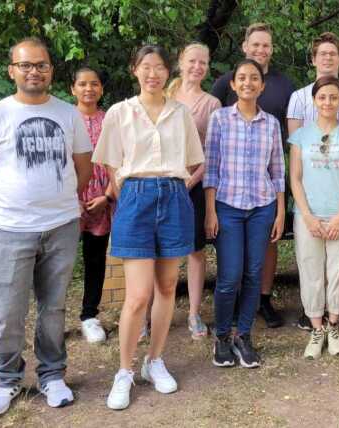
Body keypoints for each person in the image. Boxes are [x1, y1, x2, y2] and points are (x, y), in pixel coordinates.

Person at [0, 37, 92, 415]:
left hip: (61, 227)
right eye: (25, 65)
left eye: (40, 65)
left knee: (53, 309)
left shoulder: (68, 114)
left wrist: (61, 202)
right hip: (9, 230)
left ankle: (52, 376)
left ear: (51, 70)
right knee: (7, 311)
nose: (33, 71)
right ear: (12, 71)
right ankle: (7, 381)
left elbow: (83, 167)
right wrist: (5, 211)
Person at [93, 45, 204, 410]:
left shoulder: (181, 113)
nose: (153, 73)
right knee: (138, 295)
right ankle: (124, 370)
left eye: (159, 68)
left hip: (173, 195)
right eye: (146, 67)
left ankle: (154, 360)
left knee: (168, 286)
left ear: (167, 72)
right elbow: (111, 164)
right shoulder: (119, 112)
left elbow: (191, 162)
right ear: (134, 70)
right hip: (135, 198)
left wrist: (169, 190)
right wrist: (133, 194)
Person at [211, 23, 295, 328]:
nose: (261, 50)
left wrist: (281, 202)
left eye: (266, 45)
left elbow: (283, 148)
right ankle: (228, 317)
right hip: (229, 194)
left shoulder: (285, 87)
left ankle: (263, 299)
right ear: (245, 46)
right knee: (232, 266)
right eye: (256, 44)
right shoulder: (223, 86)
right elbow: (213, 149)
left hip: (263, 190)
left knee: (262, 254)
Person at [205, 59, 286, 369]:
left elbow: (277, 171)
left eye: (254, 78)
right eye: (242, 78)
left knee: (253, 274)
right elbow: (211, 168)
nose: (248, 82)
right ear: (233, 84)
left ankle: (244, 335)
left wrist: (279, 212)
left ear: (262, 86)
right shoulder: (220, 119)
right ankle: (223, 337)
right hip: (227, 207)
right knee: (229, 276)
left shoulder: (271, 124)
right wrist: (210, 210)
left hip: (262, 208)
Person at [287, 31, 339, 331]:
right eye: (322, 53)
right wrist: (306, 212)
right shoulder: (299, 101)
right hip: (310, 201)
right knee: (311, 265)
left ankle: (336, 315)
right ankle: (315, 317)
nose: (327, 102)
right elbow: (296, 170)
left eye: (333, 53)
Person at [165, 43, 222, 339]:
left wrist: (190, 181)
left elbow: (212, 154)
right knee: (161, 250)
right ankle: (153, 313)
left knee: (196, 251)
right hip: (162, 184)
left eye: (203, 62)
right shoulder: (164, 95)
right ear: (181, 61)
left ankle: (194, 314)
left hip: (194, 186)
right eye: (192, 61)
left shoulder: (211, 104)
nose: (197, 67)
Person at [72, 66, 114, 344]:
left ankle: (89, 316)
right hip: (66, 202)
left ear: (101, 88)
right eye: (83, 84)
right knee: (56, 263)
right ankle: (50, 318)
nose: (89, 89)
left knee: (95, 260)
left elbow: (119, 162)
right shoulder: (64, 117)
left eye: (94, 84)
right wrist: (70, 199)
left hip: (101, 201)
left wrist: (107, 196)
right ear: (72, 88)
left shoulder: (110, 119)